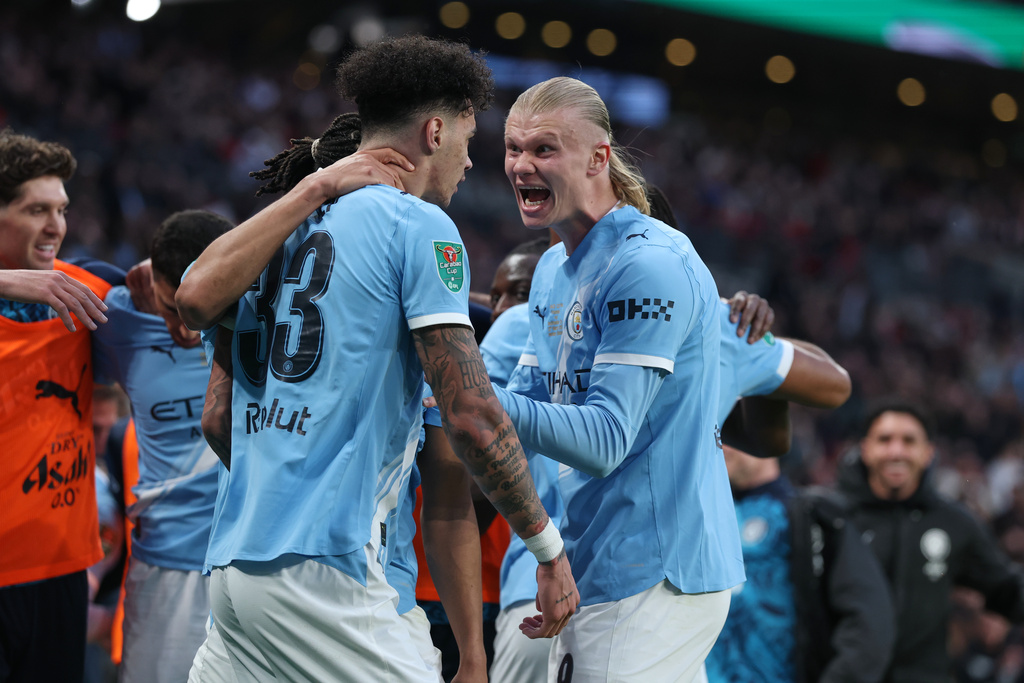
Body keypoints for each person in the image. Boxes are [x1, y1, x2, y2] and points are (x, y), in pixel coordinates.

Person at [176, 36, 577, 681]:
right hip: (326, 574)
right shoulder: (418, 226)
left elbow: (216, 407)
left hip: (233, 568)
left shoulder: (274, 230)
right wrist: (547, 549)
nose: (471, 163)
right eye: (470, 140)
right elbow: (473, 415)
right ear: (435, 130)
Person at [489, 76, 743, 682]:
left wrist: (474, 398)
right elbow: (518, 413)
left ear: (599, 157)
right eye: (513, 148)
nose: (522, 165)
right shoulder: (553, 267)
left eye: (544, 149)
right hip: (597, 558)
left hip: (654, 573)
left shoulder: (649, 264)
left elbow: (604, 440)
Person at [89, 210, 233, 683]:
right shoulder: (121, 322)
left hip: (256, 559)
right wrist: (121, 276)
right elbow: (68, 276)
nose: (187, 327)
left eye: (197, 304)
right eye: (171, 308)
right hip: (165, 567)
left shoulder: (274, 317)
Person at [0, 128, 118, 683]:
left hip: (63, 568)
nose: (56, 227)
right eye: (36, 210)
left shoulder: (84, 290)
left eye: (62, 209)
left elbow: (190, 289)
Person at [836, 399, 1024, 682]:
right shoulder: (832, 519)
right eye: (885, 440)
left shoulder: (954, 523)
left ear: (928, 453)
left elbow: (1007, 590)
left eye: (909, 441)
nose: (896, 450)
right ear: (865, 449)